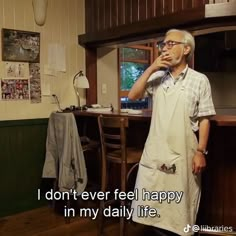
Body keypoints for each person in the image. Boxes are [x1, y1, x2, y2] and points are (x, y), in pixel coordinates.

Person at [129, 29, 216, 236]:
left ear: (186, 49)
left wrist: (200, 151)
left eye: (170, 44)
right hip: (156, 151)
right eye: (163, 44)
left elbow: (204, 119)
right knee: (154, 203)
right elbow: (133, 95)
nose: (165, 48)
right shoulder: (158, 77)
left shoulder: (199, 80)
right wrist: (151, 67)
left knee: (179, 208)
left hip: (183, 153)